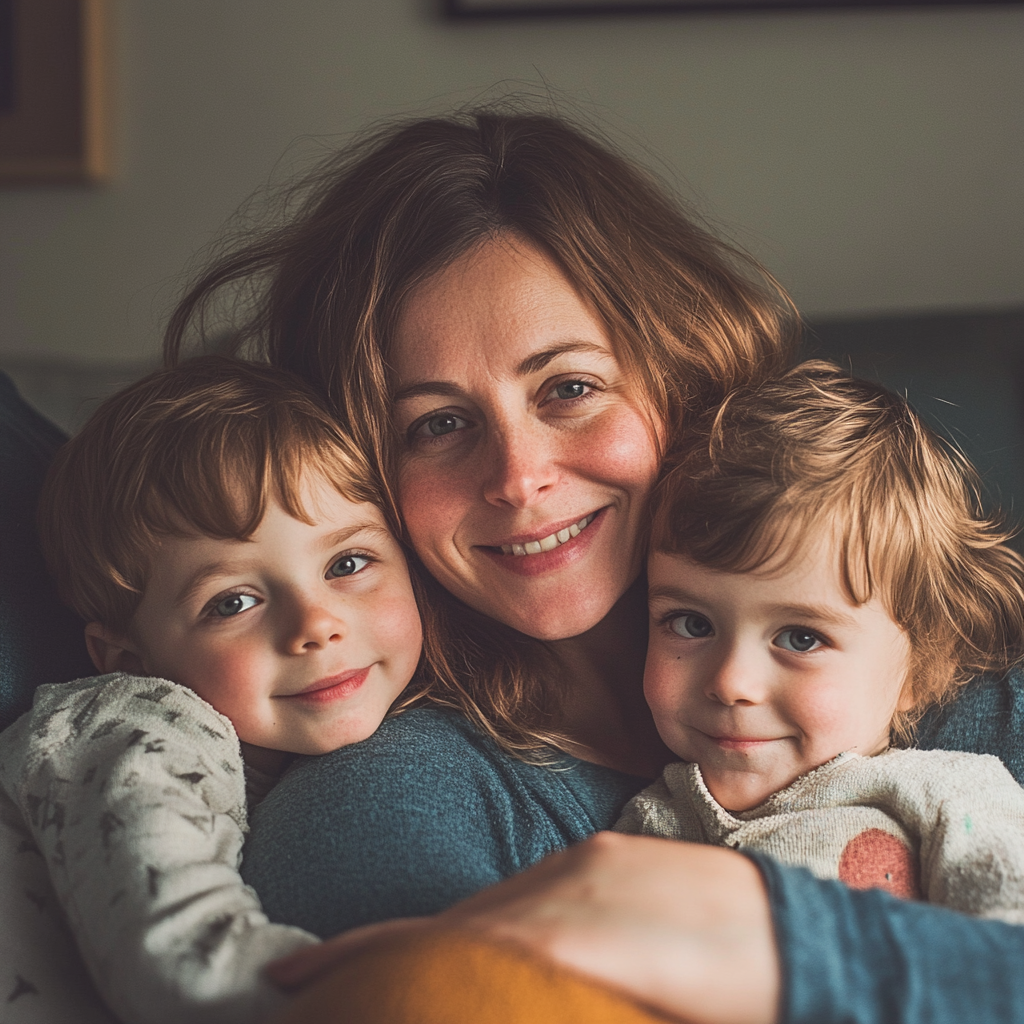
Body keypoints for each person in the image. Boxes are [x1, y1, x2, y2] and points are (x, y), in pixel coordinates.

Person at [159, 107, 1024, 1024]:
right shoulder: (392, 807)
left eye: (569, 388)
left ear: (678, 373)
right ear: (364, 478)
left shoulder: (934, 682)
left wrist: (763, 935)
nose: (519, 479)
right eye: (438, 425)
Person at [0, 356, 427, 1024]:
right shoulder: (130, 726)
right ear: (130, 657)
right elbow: (187, 965)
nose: (316, 625)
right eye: (233, 602)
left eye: (348, 563)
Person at [615, 361, 1024, 919]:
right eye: (691, 624)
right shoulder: (644, 828)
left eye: (801, 637)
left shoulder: (950, 795)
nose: (731, 683)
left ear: (921, 670)